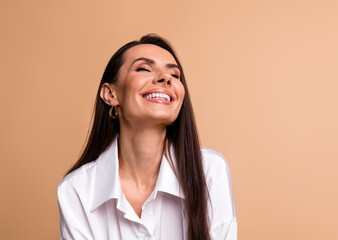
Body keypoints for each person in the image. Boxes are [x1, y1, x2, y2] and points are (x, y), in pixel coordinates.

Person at [57, 34, 237, 240]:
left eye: (175, 75)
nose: (166, 78)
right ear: (110, 94)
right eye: (143, 68)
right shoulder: (76, 190)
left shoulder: (210, 170)